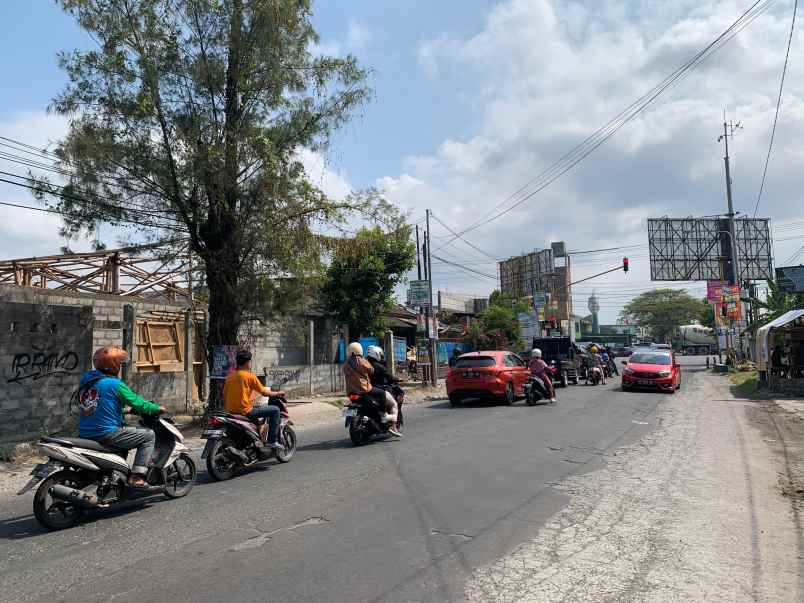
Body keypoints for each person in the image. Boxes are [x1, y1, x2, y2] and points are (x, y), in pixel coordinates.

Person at [78, 346, 166, 488]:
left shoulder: (87, 378)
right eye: (119, 362)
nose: (120, 366)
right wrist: (157, 408)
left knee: (126, 433)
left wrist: (123, 411)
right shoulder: (116, 385)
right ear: (113, 364)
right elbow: (138, 403)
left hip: (85, 432)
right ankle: (137, 476)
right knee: (149, 435)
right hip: (106, 433)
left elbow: (99, 403)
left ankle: (115, 473)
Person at [223, 350, 285, 451]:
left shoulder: (229, 377)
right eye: (250, 361)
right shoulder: (249, 376)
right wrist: (278, 393)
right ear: (248, 362)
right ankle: (272, 441)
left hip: (231, 412)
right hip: (245, 411)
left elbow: (225, 395)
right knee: (275, 410)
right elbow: (264, 392)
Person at [343, 342, 402, 437]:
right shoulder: (362, 361)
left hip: (351, 391)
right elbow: (371, 370)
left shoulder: (346, 364)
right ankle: (384, 415)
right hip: (364, 389)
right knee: (382, 393)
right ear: (359, 350)